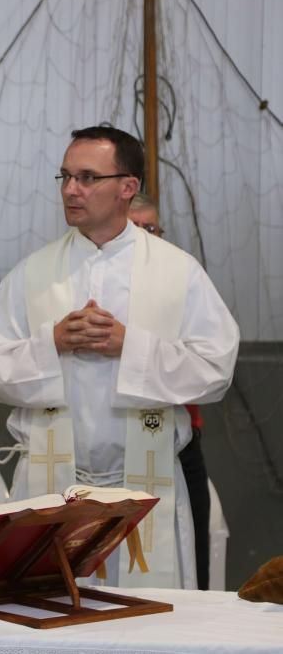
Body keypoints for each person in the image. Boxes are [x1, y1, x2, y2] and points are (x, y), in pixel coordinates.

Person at [0, 126, 239, 588]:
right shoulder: (32, 274)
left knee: (145, 624)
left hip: (144, 489)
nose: (70, 189)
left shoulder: (178, 271)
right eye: (64, 177)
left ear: (127, 187)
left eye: (86, 177)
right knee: (47, 614)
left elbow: (216, 368)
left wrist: (129, 346)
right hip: (52, 485)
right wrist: (52, 342)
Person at [129, 192, 211, 589]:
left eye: (152, 227)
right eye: (137, 227)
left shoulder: (180, 278)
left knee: (190, 547)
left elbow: (208, 357)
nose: (147, 235)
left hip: (177, 440)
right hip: (119, 440)